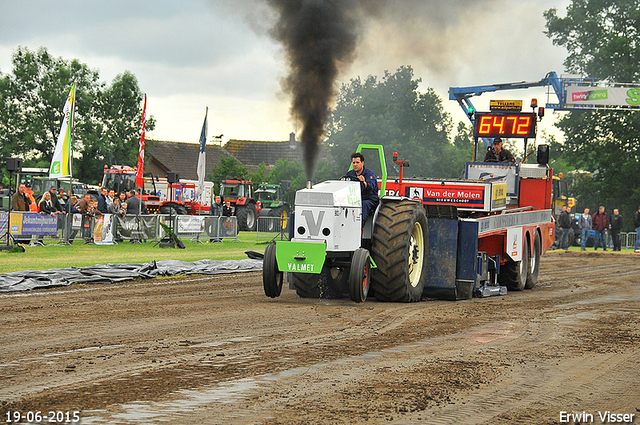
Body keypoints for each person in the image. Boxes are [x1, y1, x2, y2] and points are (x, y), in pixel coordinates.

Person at [346, 152, 380, 227]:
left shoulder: (370, 175)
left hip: (369, 199)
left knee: (363, 205)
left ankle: (358, 228)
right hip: (354, 200)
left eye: (357, 162)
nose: (355, 164)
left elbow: (372, 187)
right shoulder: (349, 174)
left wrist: (364, 183)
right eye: (353, 162)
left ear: (362, 163)